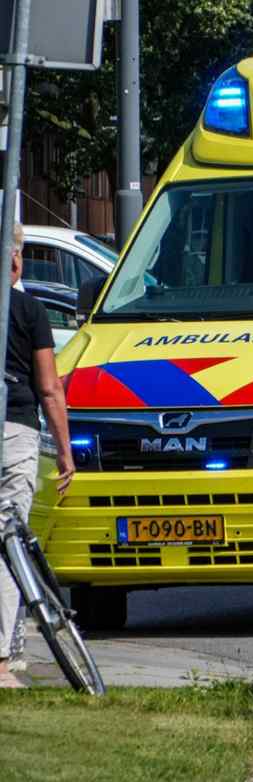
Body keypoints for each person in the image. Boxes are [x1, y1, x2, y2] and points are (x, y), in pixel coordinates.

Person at [0, 222, 75, 676]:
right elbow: (50, 389)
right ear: (14, 260)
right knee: (9, 542)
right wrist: (65, 452)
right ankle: (3, 661)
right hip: (14, 430)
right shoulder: (29, 311)